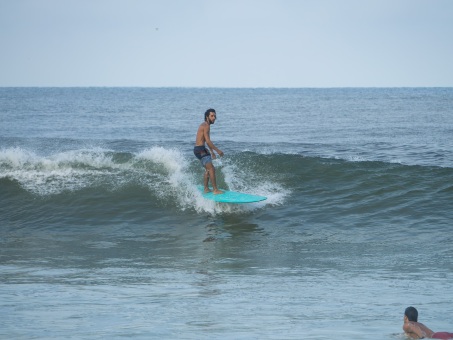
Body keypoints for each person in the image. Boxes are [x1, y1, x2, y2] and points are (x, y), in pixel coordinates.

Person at [193, 108, 224, 194]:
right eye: (212, 116)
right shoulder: (206, 125)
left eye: (215, 116)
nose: (214, 118)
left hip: (198, 149)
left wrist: (211, 151)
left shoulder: (205, 125)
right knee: (212, 169)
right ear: (207, 117)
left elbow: (207, 140)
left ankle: (206, 189)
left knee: (208, 169)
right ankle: (215, 190)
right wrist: (218, 151)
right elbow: (208, 141)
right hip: (200, 149)